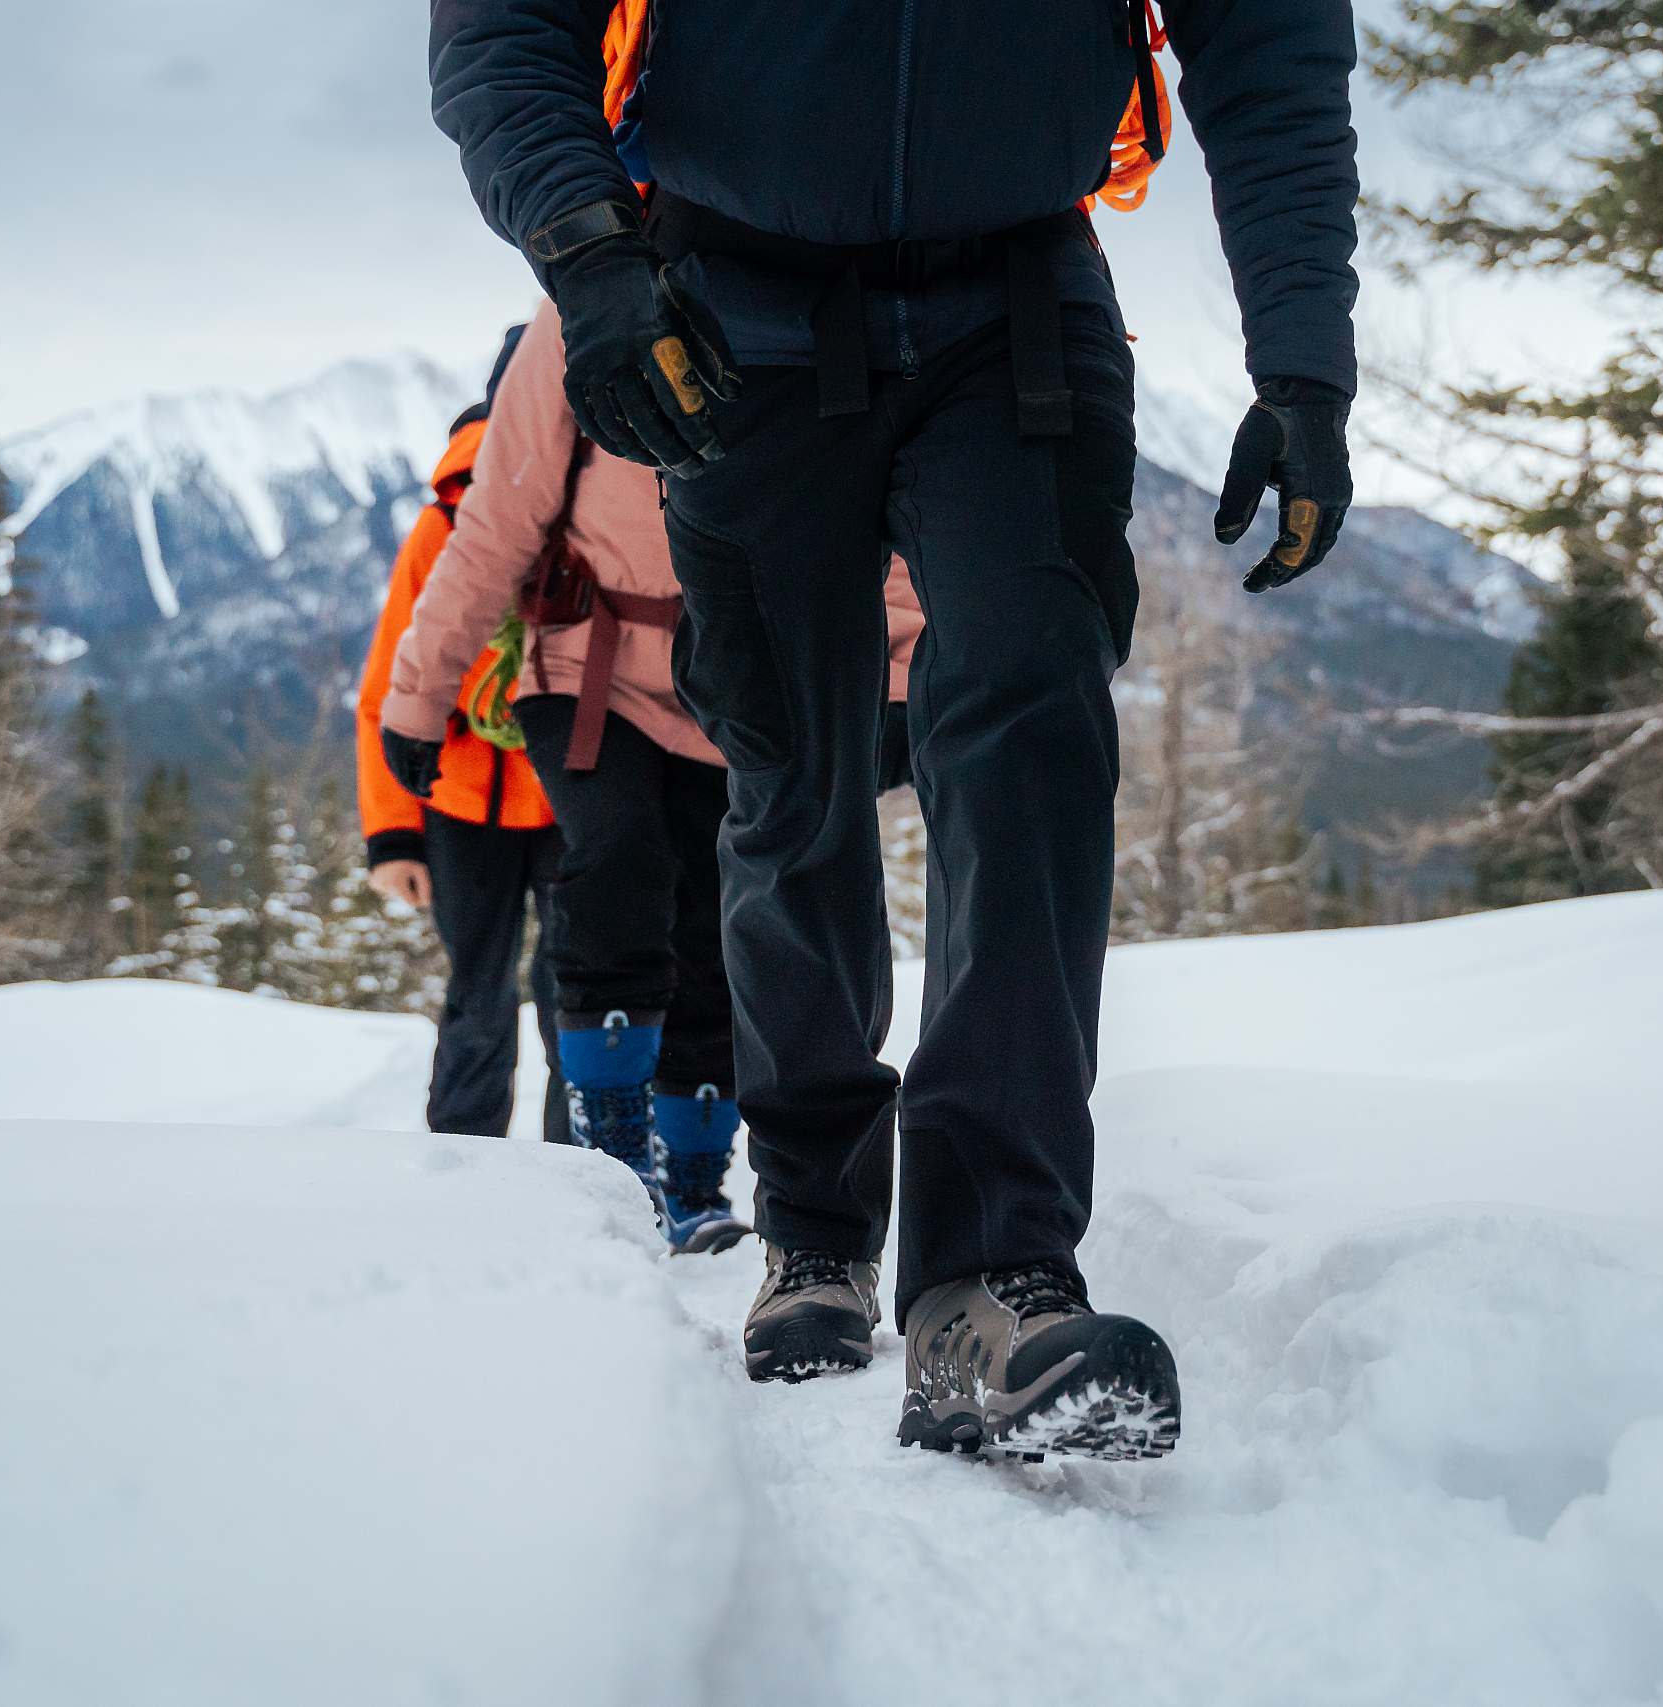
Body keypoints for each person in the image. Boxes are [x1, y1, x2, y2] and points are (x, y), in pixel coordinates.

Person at [426, 0, 1359, 1457]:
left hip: (1019, 300)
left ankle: (993, 1275)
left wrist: (1302, 356)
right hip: (724, 301)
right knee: (788, 776)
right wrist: (586, 248)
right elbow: (504, 23)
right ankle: (812, 1225)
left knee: (1030, 732)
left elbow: (1273, 39)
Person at [380, 307, 925, 1255]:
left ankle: (693, 1179)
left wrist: (891, 682)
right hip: (587, 665)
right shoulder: (579, 309)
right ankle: (611, 1155)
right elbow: (496, 522)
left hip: (738, 674)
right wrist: (421, 700)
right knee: (615, 859)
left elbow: (881, 510)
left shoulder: (804, 275)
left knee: (716, 924)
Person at [356, 326, 570, 1146]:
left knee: (538, 992)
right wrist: (391, 836)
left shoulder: (583, 497)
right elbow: (387, 688)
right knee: (503, 993)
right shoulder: (446, 522)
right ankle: (493, 1160)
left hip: (545, 793)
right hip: (488, 795)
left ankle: (528, 1156)